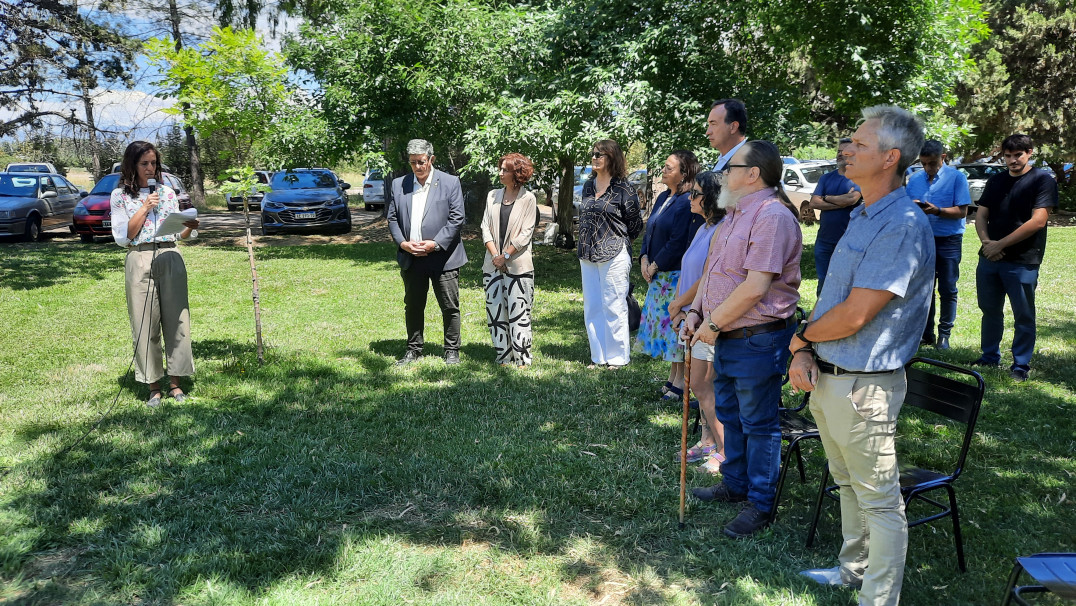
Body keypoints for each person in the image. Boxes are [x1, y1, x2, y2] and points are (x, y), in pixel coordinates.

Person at [788, 105, 933, 606]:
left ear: (890, 157)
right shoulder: (861, 214)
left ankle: (879, 597)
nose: (846, 149)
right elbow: (834, 298)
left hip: (865, 383)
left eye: (859, 143)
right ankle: (852, 569)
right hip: (831, 377)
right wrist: (807, 352)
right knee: (846, 482)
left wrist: (802, 337)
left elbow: (855, 315)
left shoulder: (903, 224)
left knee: (879, 498)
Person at [683, 140, 802, 538]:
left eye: (731, 167)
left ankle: (760, 503)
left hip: (757, 337)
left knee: (758, 422)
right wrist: (695, 313)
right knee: (731, 414)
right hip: (728, 333)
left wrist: (712, 324)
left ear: (753, 174)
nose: (723, 174)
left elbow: (754, 288)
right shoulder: (734, 213)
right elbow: (714, 274)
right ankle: (735, 484)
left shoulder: (772, 217)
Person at [110, 140, 200, 407]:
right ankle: (153, 387)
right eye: (144, 163)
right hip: (140, 257)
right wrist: (145, 206)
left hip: (170, 254)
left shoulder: (168, 192)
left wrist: (189, 226)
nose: (151, 168)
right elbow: (125, 235)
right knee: (144, 323)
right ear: (132, 165)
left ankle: (176, 384)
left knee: (178, 321)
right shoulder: (120, 196)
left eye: (154, 163)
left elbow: (180, 234)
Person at [972, 133, 1058, 381]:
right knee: (989, 310)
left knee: (1023, 314)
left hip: (1023, 260)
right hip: (990, 258)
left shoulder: (1042, 180)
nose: (1012, 160)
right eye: (1008, 156)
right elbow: (981, 215)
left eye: (1018, 155)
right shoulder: (996, 180)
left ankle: (1020, 364)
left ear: (1029, 152)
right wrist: (987, 243)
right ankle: (989, 357)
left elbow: (1038, 221)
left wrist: (1000, 244)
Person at [387, 139, 468, 365]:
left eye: (421, 162)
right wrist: (403, 243)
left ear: (431, 159)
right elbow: (392, 218)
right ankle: (413, 349)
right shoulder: (398, 184)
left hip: (444, 257)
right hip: (411, 257)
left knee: (449, 306)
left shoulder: (450, 182)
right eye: (413, 163)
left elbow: (456, 218)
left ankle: (452, 349)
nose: (417, 167)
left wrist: (435, 244)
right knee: (413, 305)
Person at [670, 171, 726, 472]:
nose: (690, 198)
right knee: (698, 384)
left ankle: (722, 448)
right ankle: (707, 439)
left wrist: (682, 304)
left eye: (696, 193)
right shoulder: (704, 226)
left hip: (705, 314)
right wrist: (681, 307)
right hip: (691, 313)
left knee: (708, 384)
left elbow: (707, 276)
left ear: (712, 197)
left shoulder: (722, 228)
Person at [637, 150, 703, 399]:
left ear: (683, 173)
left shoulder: (687, 201)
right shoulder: (664, 196)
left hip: (673, 275)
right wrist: (644, 257)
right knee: (666, 331)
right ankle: (672, 376)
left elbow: (677, 241)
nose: (663, 171)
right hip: (657, 275)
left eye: (669, 168)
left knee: (674, 328)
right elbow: (650, 229)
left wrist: (654, 265)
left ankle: (681, 381)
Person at [577, 139, 644, 369]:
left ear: (612, 158)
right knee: (593, 305)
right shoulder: (587, 186)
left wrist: (619, 241)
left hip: (615, 253)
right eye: (593, 154)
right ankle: (598, 356)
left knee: (614, 304)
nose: (594, 157)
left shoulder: (624, 188)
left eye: (600, 154)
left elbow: (635, 225)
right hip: (587, 252)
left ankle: (617, 358)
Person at [906, 139, 971, 350]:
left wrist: (938, 211)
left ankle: (944, 335)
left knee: (948, 288)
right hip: (922, 240)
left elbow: (962, 212)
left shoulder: (957, 178)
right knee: (924, 289)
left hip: (949, 241)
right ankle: (926, 333)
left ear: (943, 158)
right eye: (923, 163)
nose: (928, 168)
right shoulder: (914, 180)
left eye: (932, 163)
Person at [480, 153, 538, 368]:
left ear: (518, 173)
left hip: (518, 265)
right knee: (496, 311)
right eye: (501, 169)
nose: (500, 173)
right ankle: (503, 356)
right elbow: (485, 227)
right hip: (492, 264)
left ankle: (522, 358)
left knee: (519, 312)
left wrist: (505, 255)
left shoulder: (528, 199)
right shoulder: (492, 195)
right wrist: (496, 256)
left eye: (505, 170)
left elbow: (526, 233)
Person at [809, 137, 862, 294]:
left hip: (848, 241)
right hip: (824, 241)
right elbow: (813, 203)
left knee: (845, 284)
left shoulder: (858, 177)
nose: (839, 155)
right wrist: (840, 201)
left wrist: (826, 197)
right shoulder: (826, 178)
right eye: (838, 151)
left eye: (844, 152)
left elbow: (852, 199)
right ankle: (819, 317)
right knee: (823, 283)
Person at [706, 99, 749, 172]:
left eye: (713, 124)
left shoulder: (749, 161)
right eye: (709, 125)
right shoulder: (724, 159)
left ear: (733, 127)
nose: (707, 132)